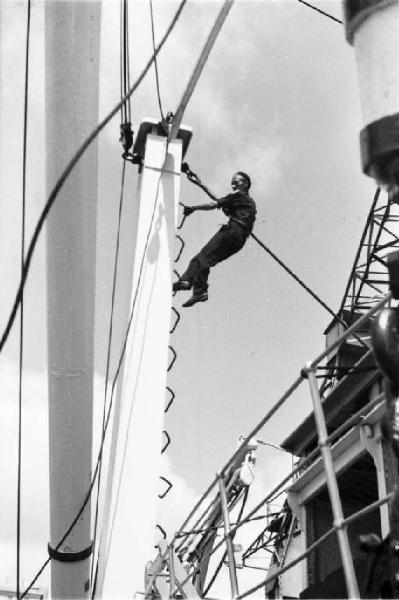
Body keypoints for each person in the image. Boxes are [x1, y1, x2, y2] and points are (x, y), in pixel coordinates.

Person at [173, 171, 256, 307]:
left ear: (246, 184)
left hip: (231, 231)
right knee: (206, 261)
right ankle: (198, 290)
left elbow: (214, 204)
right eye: (232, 182)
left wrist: (194, 208)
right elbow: (217, 199)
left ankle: (187, 281)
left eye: (237, 181)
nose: (233, 184)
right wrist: (198, 181)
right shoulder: (248, 202)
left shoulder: (237, 196)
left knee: (199, 259)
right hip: (240, 240)